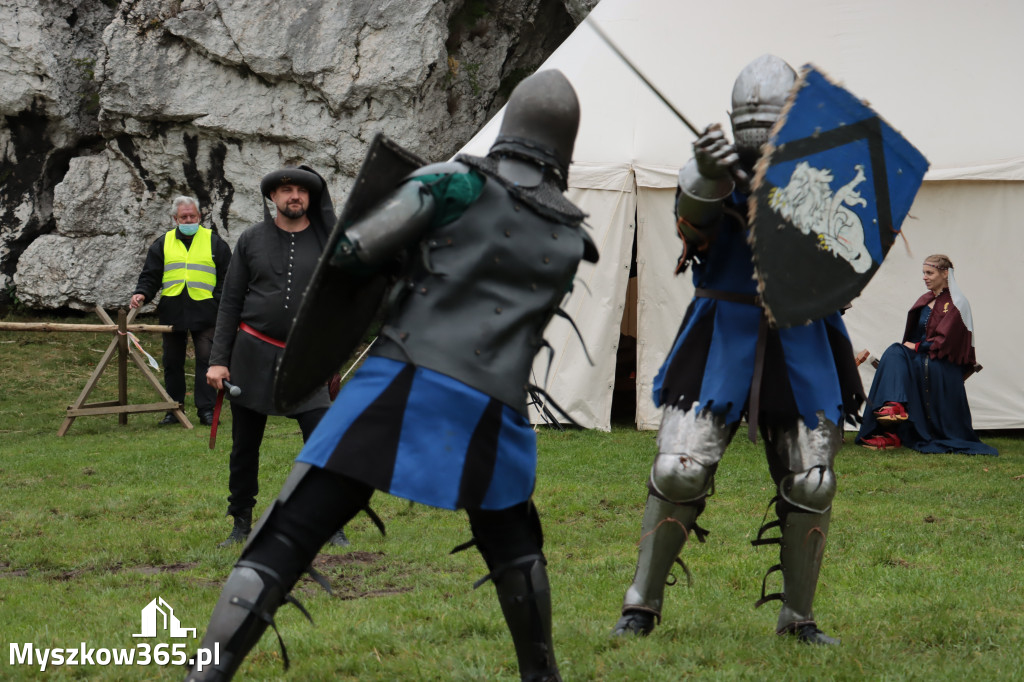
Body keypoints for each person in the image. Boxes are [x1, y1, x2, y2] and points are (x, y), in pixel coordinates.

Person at [184, 69, 597, 682]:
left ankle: (208, 673)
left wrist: (410, 256)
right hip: (494, 407)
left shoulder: (452, 183)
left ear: (508, 127)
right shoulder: (570, 234)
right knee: (517, 549)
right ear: (564, 144)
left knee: (288, 533)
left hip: (405, 382)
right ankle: (543, 676)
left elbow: (351, 253)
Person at [610, 55, 864, 645]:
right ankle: (641, 603)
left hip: (801, 331)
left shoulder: (821, 176)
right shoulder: (711, 170)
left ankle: (797, 617)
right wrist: (706, 173)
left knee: (813, 480)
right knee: (678, 470)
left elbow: (846, 251)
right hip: (722, 329)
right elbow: (692, 224)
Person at [206, 166, 348, 548]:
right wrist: (218, 359)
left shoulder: (328, 242)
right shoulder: (251, 239)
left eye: (302, 190)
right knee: (245, 447)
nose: (295, 196)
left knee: (321, 442)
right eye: (286, 190)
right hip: (251, 356)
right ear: (273, 197)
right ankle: (240, 524)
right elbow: (230, 302)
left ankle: (330, 523)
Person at [857, 255, 997, 455]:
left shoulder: (958, 302)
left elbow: (945, 340)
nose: (924, 277)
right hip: (920, 357)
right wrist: (911, 349)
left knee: (902, 355)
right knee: (894, 351)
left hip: (942, 362)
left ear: (945, 273)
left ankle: (895, 425)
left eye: (929, 273)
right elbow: (912, 335)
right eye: (923, 273)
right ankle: (892, 411)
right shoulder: (926, 299)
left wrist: (916, 348)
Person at [130, 196, 231, 426]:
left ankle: (206, 411)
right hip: (173, 310)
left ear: (200, 217)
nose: (188, 220)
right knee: (172, 362)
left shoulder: (215, 242)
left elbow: (228, 277)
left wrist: (218, 301)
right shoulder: (162, 243)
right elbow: (151, 275)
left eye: (192, 216)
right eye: (184, 217)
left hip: (206, 311)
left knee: (207, 361)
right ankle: (173, 410)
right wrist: (141, 294)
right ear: (175, 218)